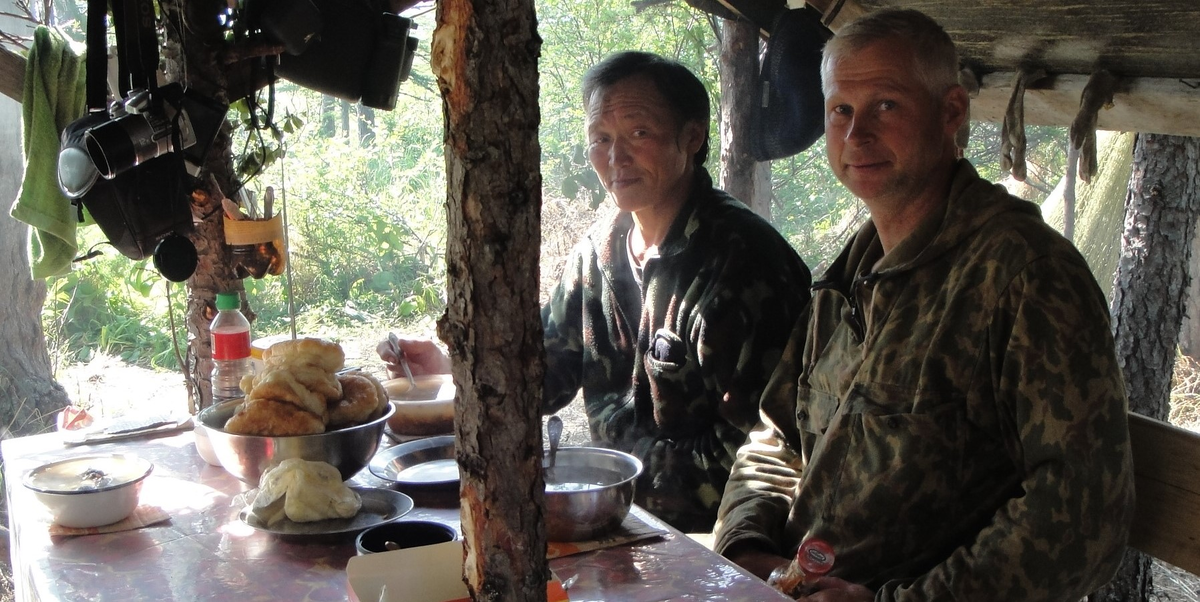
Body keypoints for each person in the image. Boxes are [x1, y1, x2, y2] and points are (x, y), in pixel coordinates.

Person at [713, 9, 1135, 601]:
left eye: (886, 105)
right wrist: (750, 551)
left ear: (951, 113)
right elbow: (779, 433)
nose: (856, 134)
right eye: (841, 110)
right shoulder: (851, 276)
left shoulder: (1023, 276)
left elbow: (1081, 519)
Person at [381, 51, 812, 533]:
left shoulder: (742, 266)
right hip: (616, 517)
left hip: (718, 536)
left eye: (638, 133)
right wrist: (448, 375)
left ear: (692, 137)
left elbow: (768, 450)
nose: (615, 158)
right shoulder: (599, 254)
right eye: (600, 139)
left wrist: (609, 485)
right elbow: (538, 376)